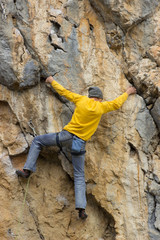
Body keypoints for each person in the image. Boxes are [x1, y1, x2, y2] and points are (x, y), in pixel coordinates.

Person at [16, 76, 136, 219]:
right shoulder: (102, 107)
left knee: (37, 141)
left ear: (91, 96)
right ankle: (81, 209)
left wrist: (51, 80)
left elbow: (64, 92)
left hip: (65, 137)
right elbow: (117, 104)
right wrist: (127, 92)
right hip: (79, 145)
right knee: (79, 175)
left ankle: (27, 170)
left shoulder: (82, 100)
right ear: (99, 98)